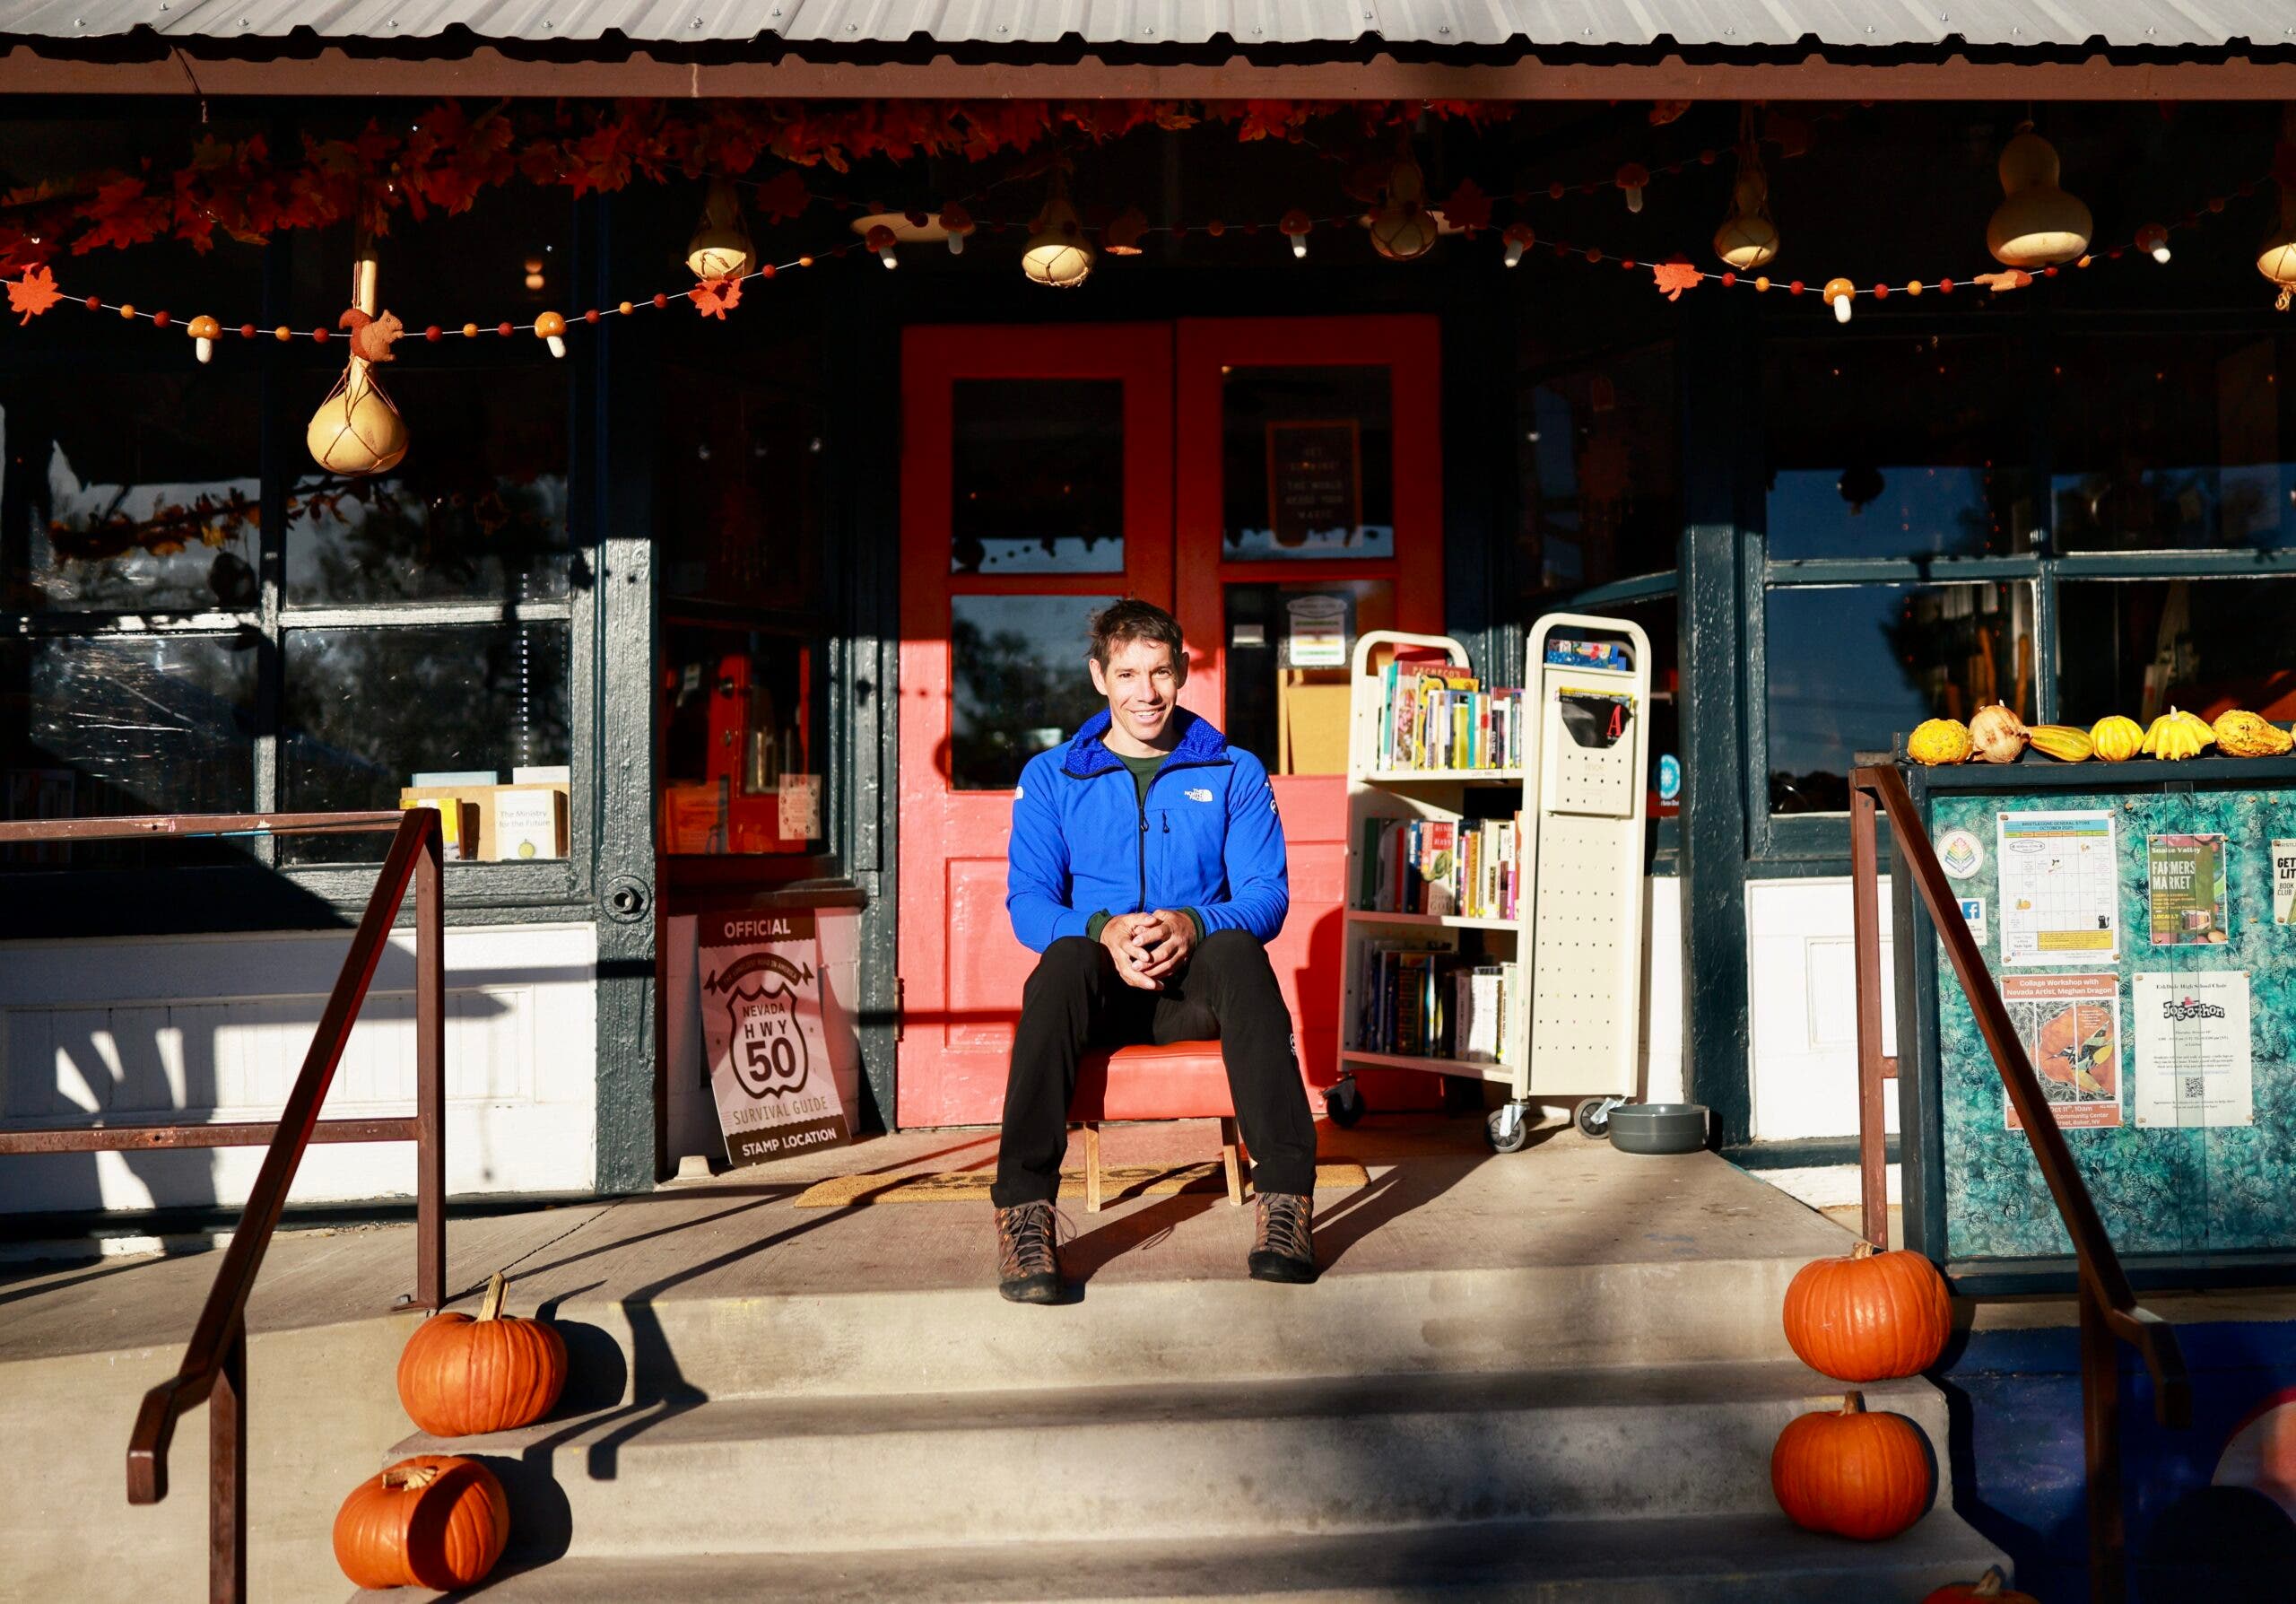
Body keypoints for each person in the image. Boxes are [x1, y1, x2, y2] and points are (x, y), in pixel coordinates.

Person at [991, 598, 1319, 1303]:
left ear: (1183, 672)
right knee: (1062, 962)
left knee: (1239, 952)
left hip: (1193, 994)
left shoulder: (1233, 769)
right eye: (1128, 674)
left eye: (1161, 672)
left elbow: (1267, 896)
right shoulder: (1053, 776)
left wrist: (1193, 923)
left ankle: (1286, 1204)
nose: (1146, 692)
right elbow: (1029, 905)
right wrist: (1102, 930)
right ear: (1098, 677)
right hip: (1099, 996)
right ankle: (1023, 1215)